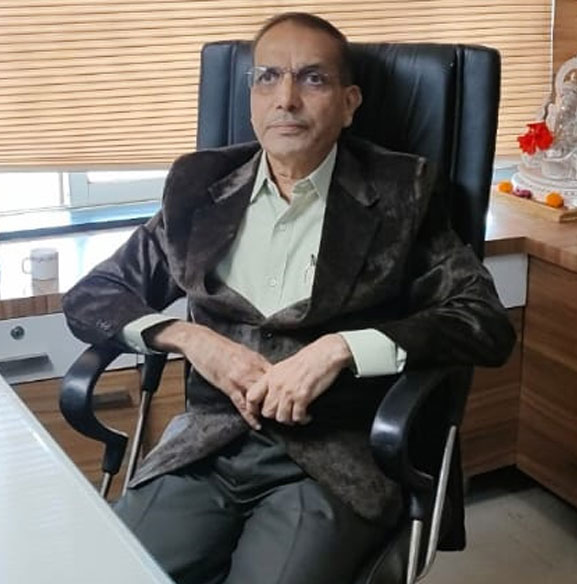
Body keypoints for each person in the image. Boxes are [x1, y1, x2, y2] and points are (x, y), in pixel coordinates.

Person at [62, 12, 515, 584]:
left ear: (349, 103)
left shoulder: (403, 192)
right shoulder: (199, 188)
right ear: (251, 98)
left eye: (313, 79)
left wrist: (341, 349)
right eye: (268, 77)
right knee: (115, 572)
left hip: (332, 461)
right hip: (206, 446)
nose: (286, 99)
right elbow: (94, 295)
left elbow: (482, 321)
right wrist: (188, 337)